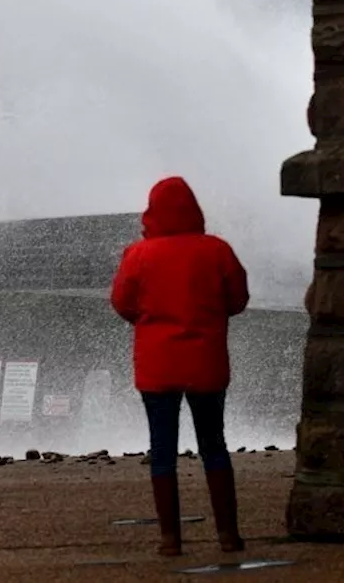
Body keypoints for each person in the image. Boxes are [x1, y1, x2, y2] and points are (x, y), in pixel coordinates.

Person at [110, 176, 249, 557]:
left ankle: (170, 540)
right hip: (206, 364)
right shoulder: (217, 251)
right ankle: (228, 536)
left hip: (158, 368)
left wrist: (150, 320)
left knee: (162, 450)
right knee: (214, 447)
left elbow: (122, 303)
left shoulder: (138, 255)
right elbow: (237, 299)